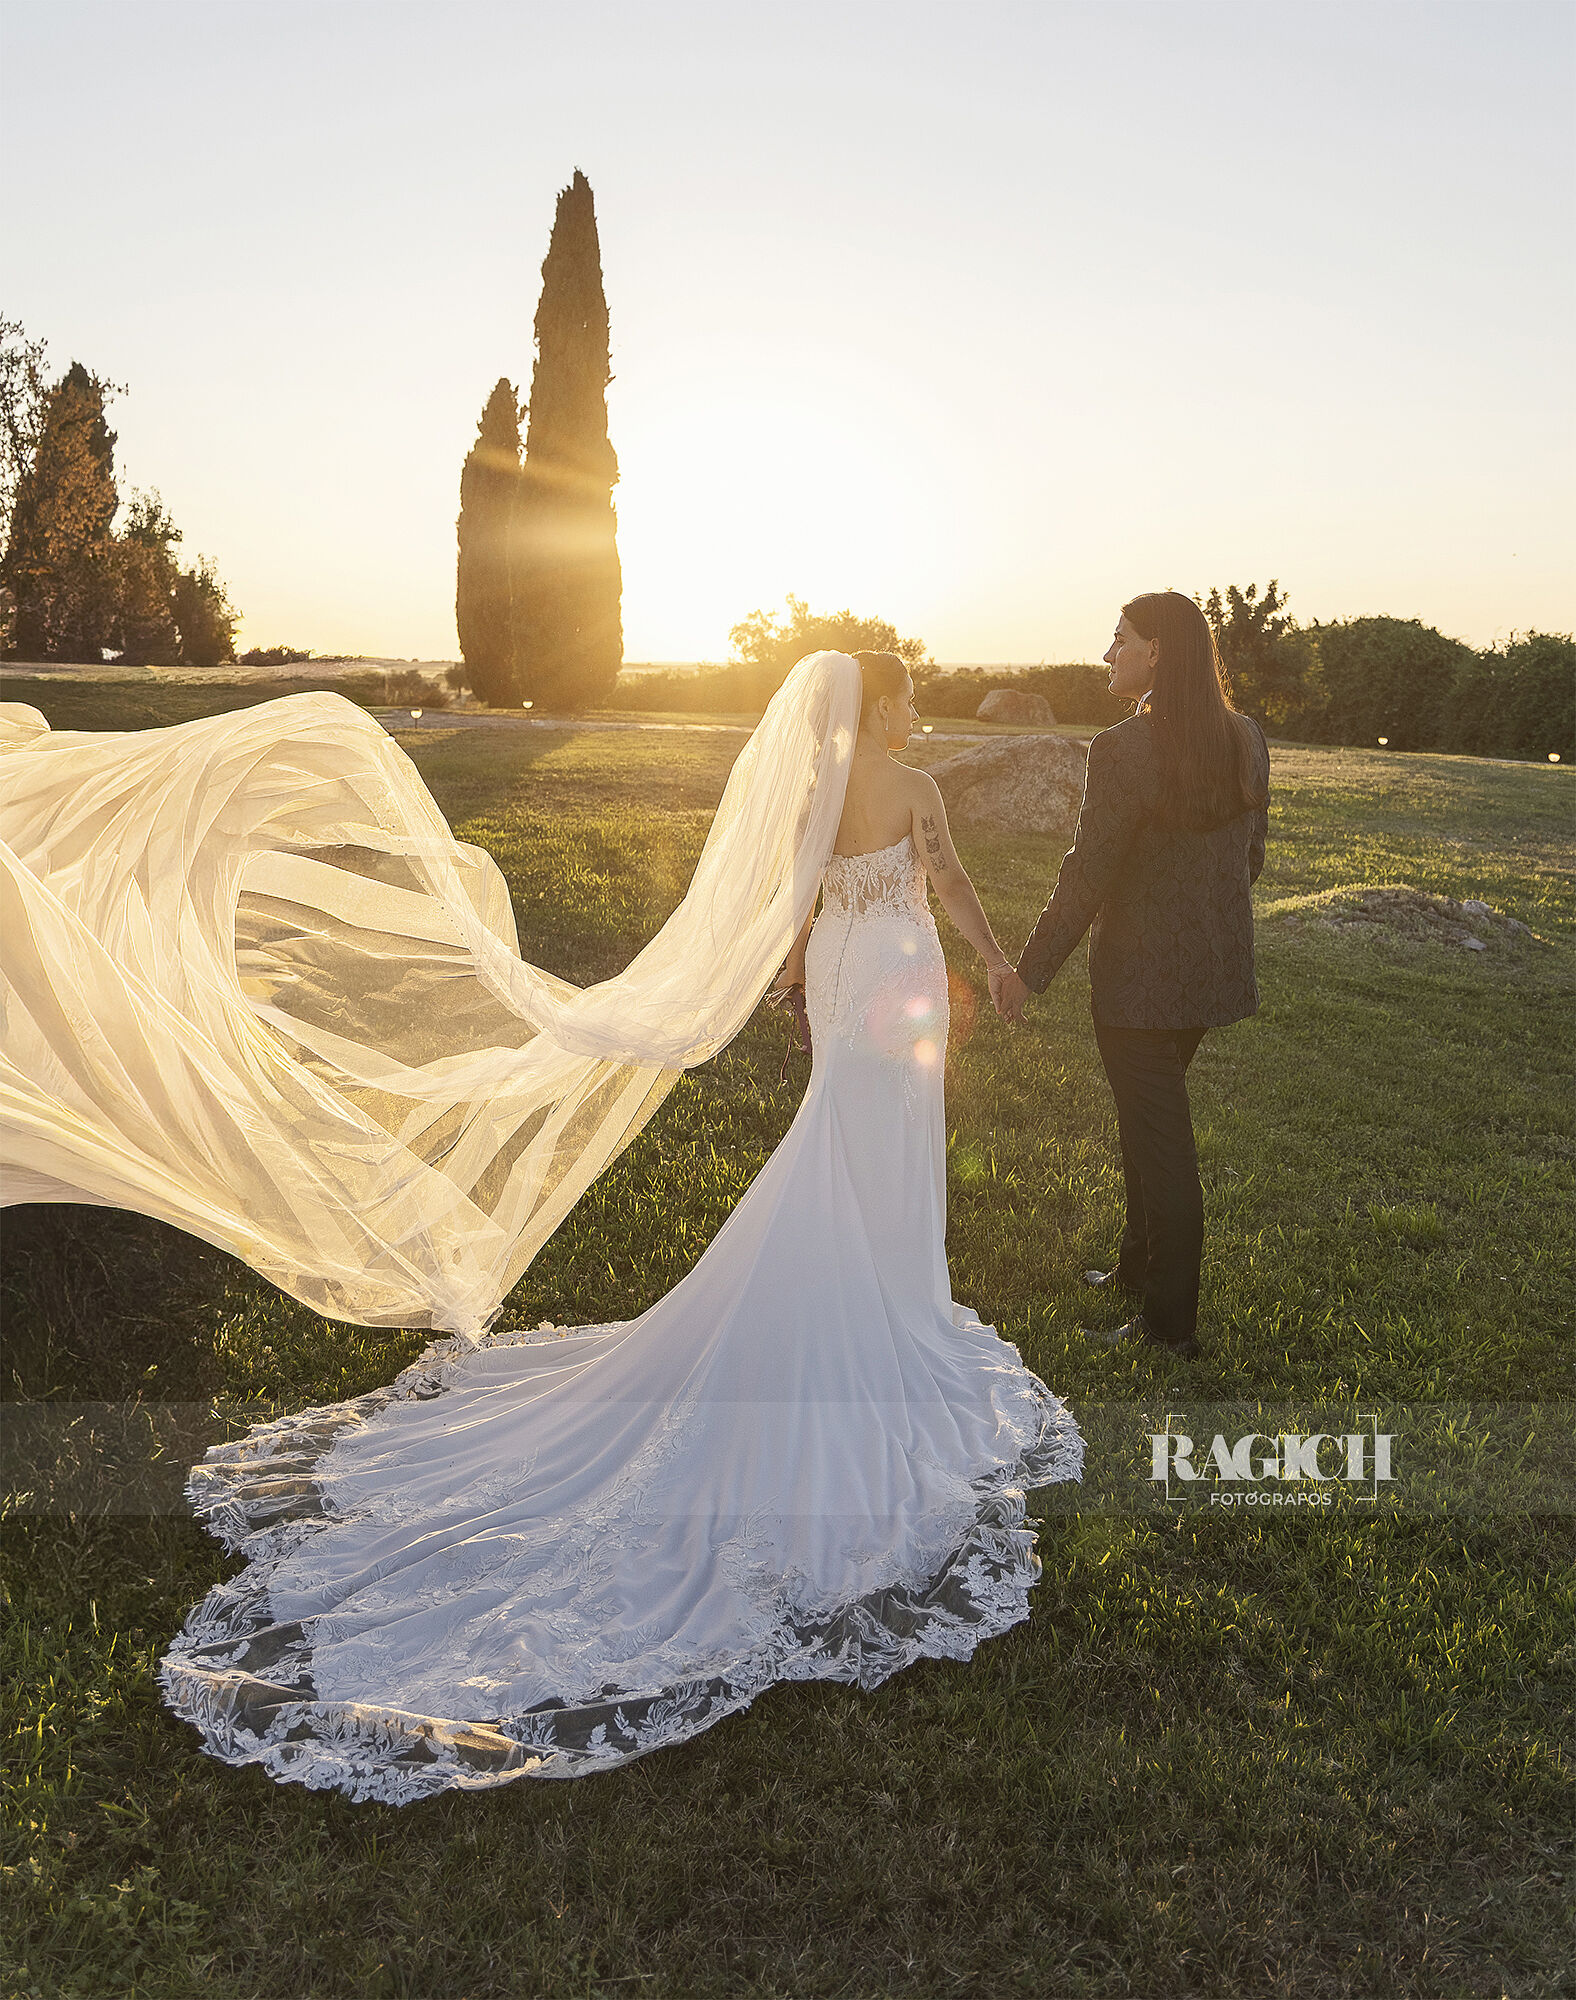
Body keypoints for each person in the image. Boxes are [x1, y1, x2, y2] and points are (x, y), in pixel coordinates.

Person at [2, 650, 1082, 1801]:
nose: (916, 711)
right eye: (906, 695)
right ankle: (884, 1295)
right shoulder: (914, 788)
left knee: (836, 1126)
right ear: (883, 705)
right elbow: (950, 882)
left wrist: (786, 979)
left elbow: (789, 900)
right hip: (898, 963)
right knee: (882, 1129)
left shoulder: (817, 789)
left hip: (836, 967)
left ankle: (868, 1278)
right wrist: (1001, 962)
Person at [994, 593, 1270, 1360]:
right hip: (1207, 980)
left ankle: (1168, 1326)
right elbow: (1253, 853)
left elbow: (1088, 874)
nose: (1107, 652)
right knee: (1147, 1127)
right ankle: (1134, 1267)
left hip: (1139, 988)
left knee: (1163, 1145)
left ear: (1157, 654)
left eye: (1120, 640)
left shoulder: (1121, 748)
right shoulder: (1246, 735)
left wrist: (1028, 973)